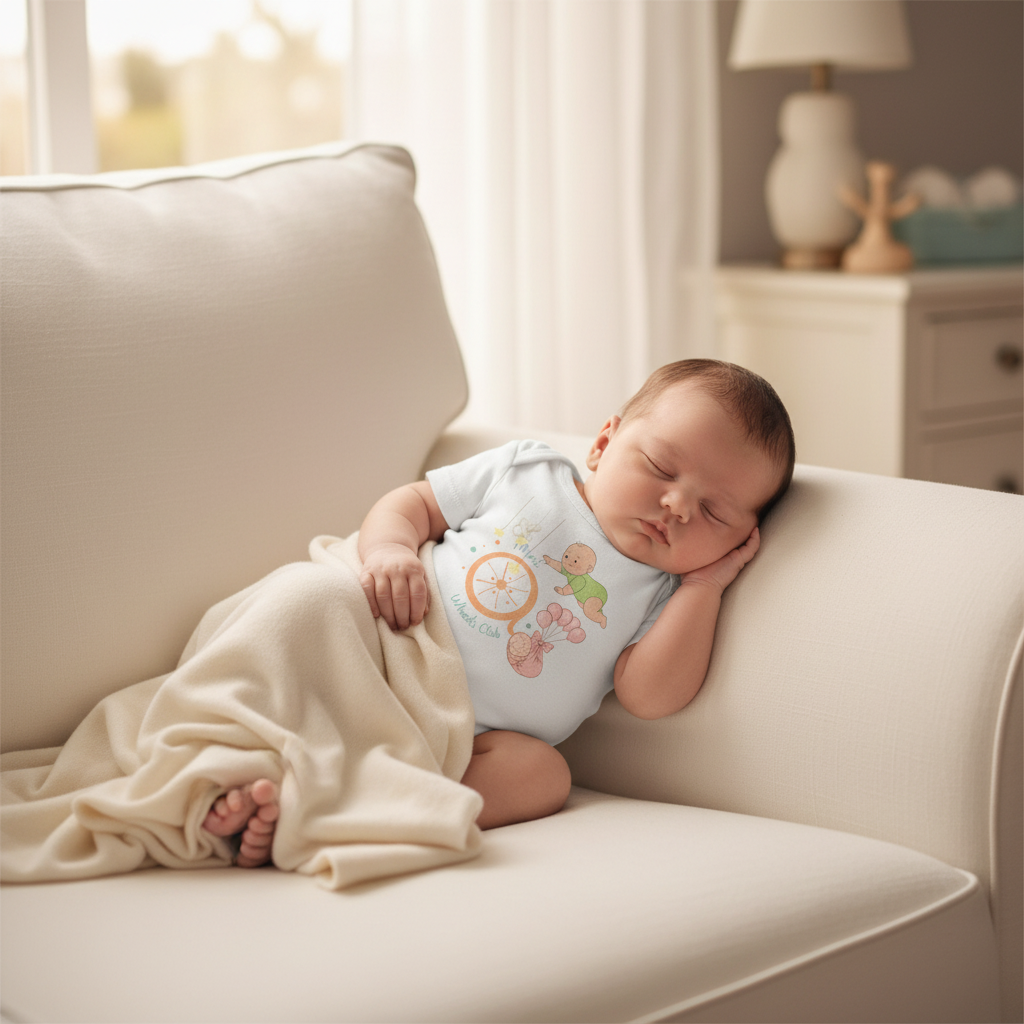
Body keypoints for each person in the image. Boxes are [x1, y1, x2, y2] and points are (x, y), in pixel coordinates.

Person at [204, 359, 795, 865]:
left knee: (543, 776)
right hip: (390, 639)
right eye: (661, 468)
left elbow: (650, 696)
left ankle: (359, 808)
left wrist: (705, 588)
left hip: (457, 736)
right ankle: (242, 745)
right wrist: (389, 549)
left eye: (716, 514)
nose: (677, 506)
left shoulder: (665, 594)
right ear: (603, 442)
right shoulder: (528, 472)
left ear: (743, 538)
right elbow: (413, 505)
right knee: (309, 597)